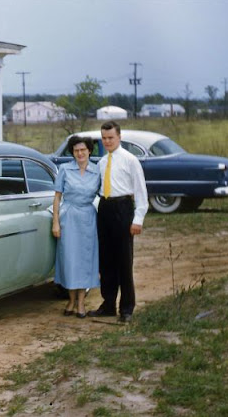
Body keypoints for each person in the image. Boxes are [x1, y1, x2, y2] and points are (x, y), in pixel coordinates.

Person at [87, 121, 148, 323]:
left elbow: (141, 192)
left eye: (110, 138)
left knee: (124, 260)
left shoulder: (131, 160)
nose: (107, 141)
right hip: (105, 208)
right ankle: (108, 304)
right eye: (104, 138)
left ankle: (127, 307)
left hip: (123, 208)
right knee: (106, 261)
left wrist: (137, 219)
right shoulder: (102, 163)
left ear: (119, 137)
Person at [52, 136, 101, 318]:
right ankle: (71, 300)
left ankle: (81, 302)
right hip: (69, 217)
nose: (80, 153)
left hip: (88, 218)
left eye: (83, 150)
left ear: (89, 151)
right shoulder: (65, 169)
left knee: (85, 261)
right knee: (69, 260)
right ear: (72, 152)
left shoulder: (97, 171)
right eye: (76, 150)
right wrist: (55, 222)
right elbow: (57, 197)